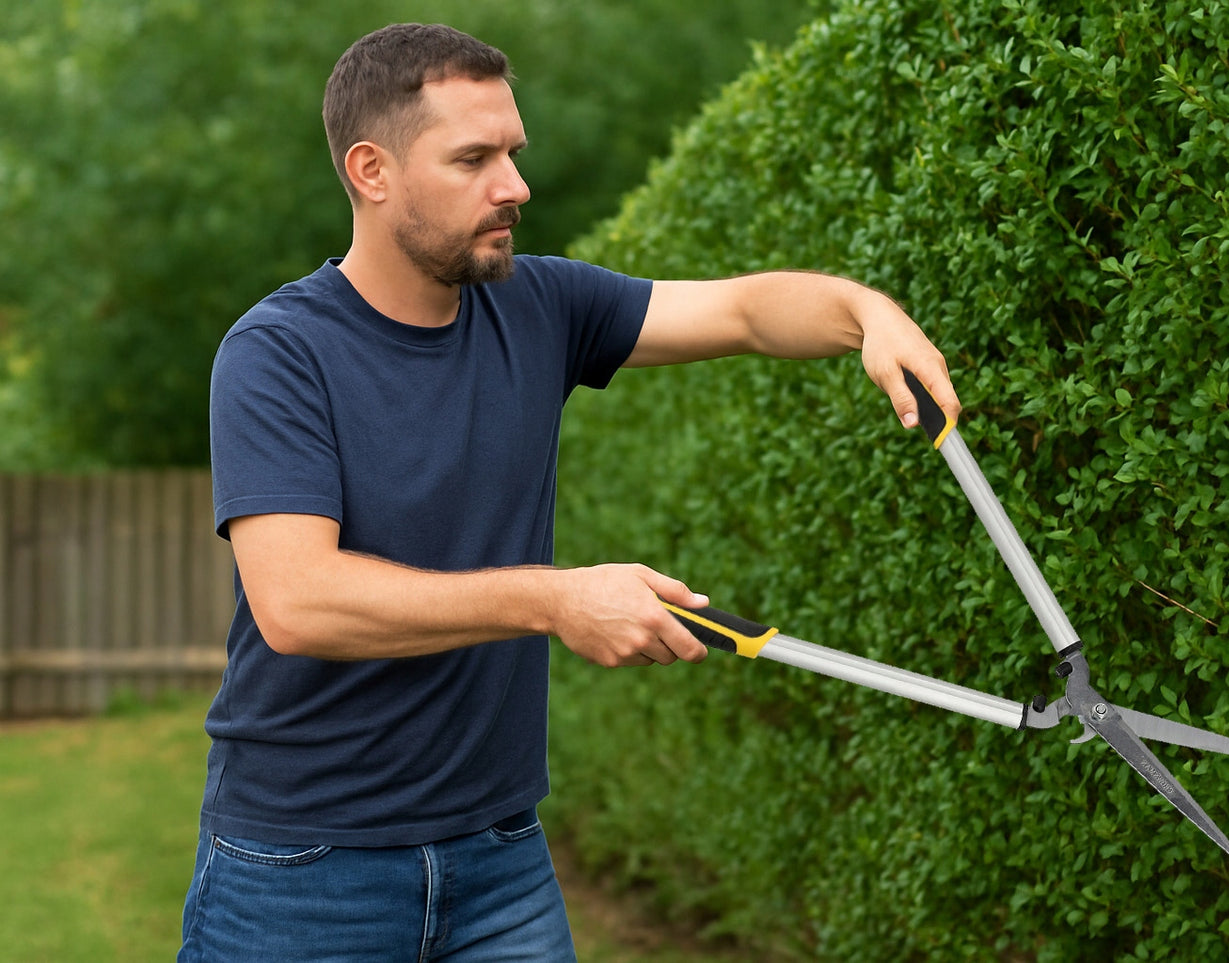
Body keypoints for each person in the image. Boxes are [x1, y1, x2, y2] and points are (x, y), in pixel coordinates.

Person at [179, 21, 960, 963]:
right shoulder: (277, 352)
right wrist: (555, 597)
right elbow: (298, 602)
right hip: (302, 872)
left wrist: (862, 313)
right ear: (371, 171)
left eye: (512, 152)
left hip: (500, 859)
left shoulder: (541, 306)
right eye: (474, 158)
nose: (515, 186)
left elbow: (746, 309)